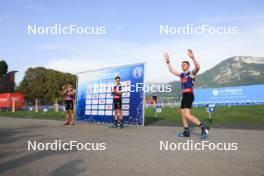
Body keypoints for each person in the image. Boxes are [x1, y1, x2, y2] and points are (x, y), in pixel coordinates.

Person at [164, 49, 208, 139]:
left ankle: (203, 127)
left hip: (189, 95)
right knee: (183, 114)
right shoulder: (181, 75)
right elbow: (171, 70)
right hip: (184, 96)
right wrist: (167, 61)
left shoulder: (191, 73)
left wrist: (192, 57)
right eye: (181, 65)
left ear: (188, 66)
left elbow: (198, 67)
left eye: (184, 65)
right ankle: (186, 131)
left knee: (187, 115)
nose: (182, 66)